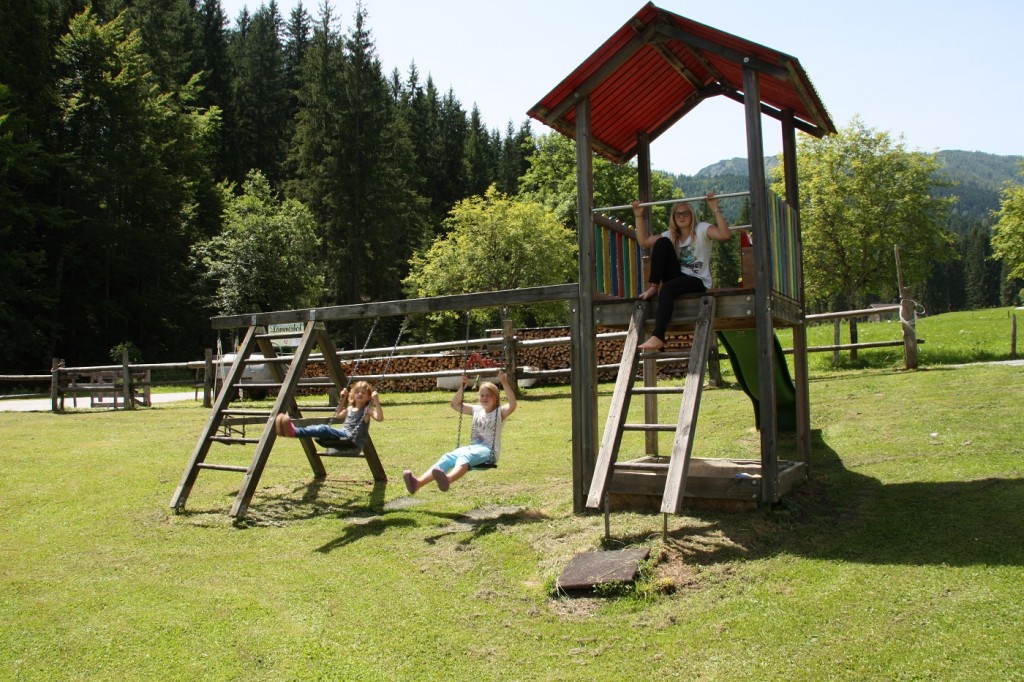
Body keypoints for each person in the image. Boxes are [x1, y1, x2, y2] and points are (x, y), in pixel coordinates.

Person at [632, 192, 732, 350]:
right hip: (678, 276)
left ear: (692, 215)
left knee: (668, 289)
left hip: (697, 280)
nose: (681, 216)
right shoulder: (671, 235)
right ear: (673, 217)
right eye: (678, 214)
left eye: (685, 213)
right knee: (662, 243)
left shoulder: (702, 229)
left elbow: (725, 234)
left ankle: (658, 336)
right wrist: (638, 216)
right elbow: (644, 241)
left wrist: (715, 208)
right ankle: (653, 286)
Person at [403, 370, 516, 494]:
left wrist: (504, 382)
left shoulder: (499, 413)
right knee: (447, 457)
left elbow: (512, 404)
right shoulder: (476, 410)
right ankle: (417, 483)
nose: (484, 398)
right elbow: (455, 404)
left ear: (495, 397)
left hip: (489, 451)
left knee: (465, 457)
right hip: (474, 448)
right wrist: (463, 386)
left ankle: (448, 479)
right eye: (482, 395)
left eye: (488, 395)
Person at [274, 380, 383, 450]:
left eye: (363, 393)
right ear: (353, 395)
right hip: (343, 435)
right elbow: (338, 415)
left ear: (369, 397)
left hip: (351, 438)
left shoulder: (367, 411)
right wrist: (343, 399)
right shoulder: (350, 408)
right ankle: (286, 430)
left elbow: (380, 418)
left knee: (322, 428)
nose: (360, 394)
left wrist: (377, 402)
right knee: (320, 431)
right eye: (357, 392)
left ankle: (293, 432)